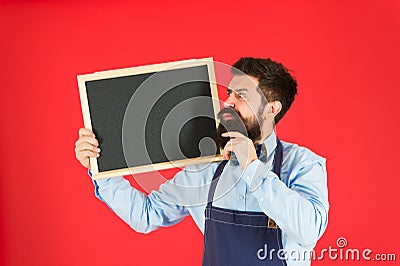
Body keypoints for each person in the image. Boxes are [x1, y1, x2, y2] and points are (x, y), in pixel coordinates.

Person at [75, 57, 329, 266]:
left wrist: (252, 167)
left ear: (271, 109)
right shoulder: (206, 166)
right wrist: (101, 165)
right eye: (229, 93)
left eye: (241, 95)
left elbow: (308, 231)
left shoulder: (302, 165)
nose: (228, 102)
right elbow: (146, 215)